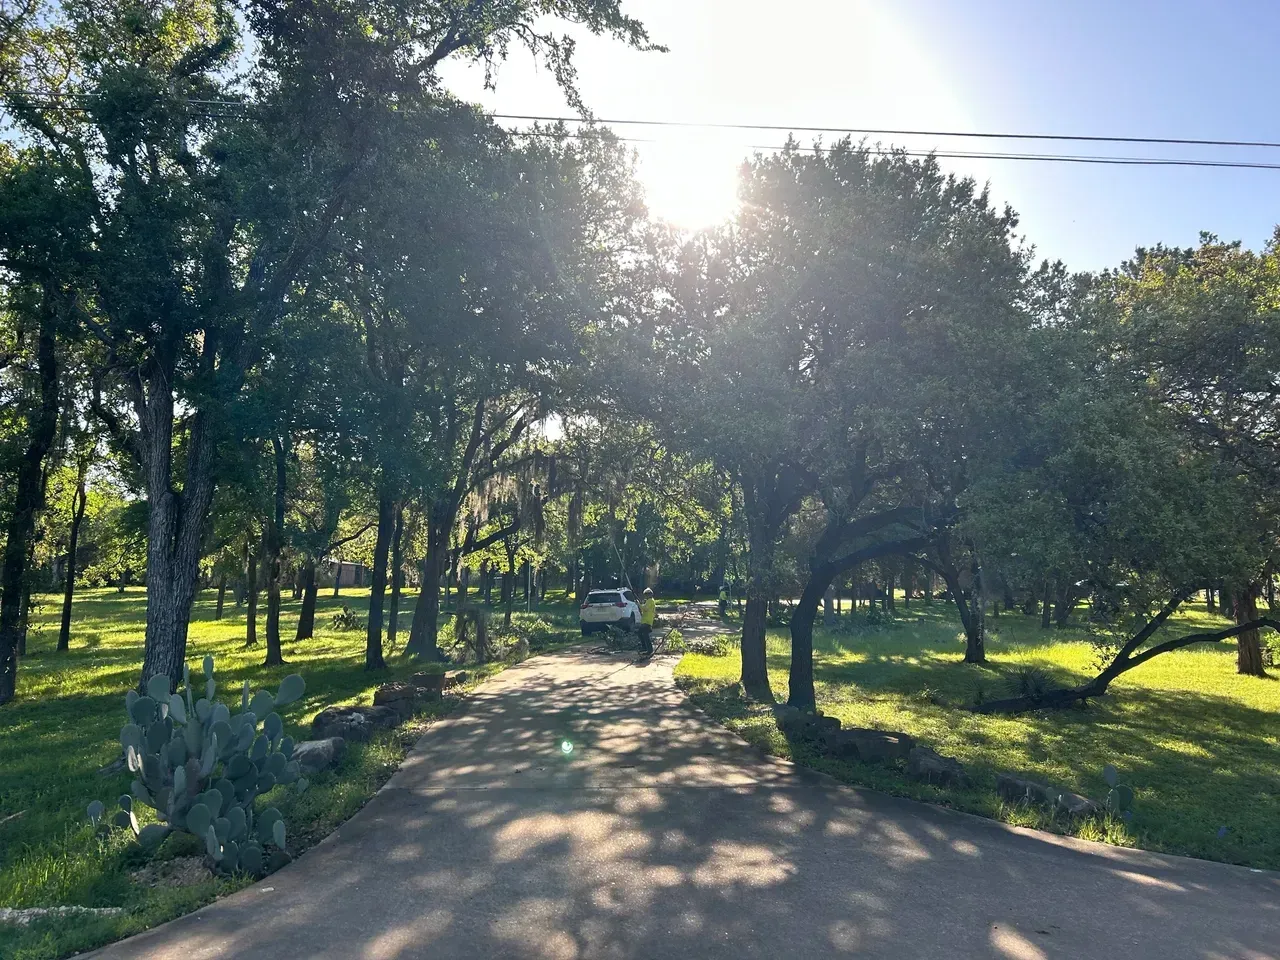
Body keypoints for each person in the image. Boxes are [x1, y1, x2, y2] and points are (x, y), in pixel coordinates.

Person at [639, 587, 656, 656]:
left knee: (645, 635)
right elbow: (644, 609)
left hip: (647, 621)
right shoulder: (650, 601)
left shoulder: (650, 601)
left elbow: (645, 609)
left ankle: (648, 649)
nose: (645, 596)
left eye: (646, 595)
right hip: (646, 620)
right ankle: (645, 648)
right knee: (641, 633)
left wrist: (639, 604)